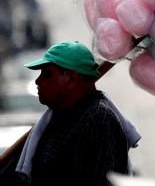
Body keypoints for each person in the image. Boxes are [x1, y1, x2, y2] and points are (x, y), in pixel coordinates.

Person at [19, 41, 139, 185]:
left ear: (71, 79)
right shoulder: (59, 117)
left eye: (47, 74)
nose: (38, 81)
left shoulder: (97, 121)